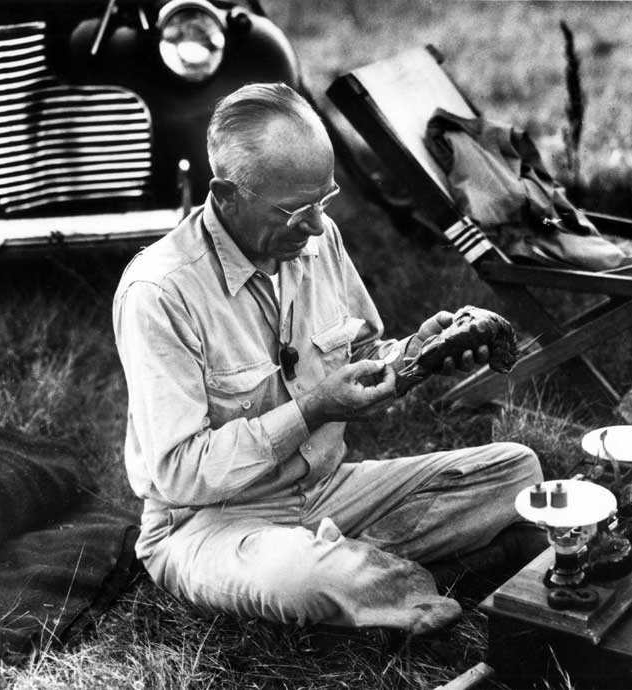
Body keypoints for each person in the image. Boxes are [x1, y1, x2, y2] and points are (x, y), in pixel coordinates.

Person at [113, 83, 543, 634]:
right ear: (225, 195)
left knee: (516, 469)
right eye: (296, 210)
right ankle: (398, 577)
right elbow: (178, 473)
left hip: (327, 491)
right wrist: (312, 409)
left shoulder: (318, 239)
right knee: (299, 578)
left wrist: (416, 356)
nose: (317, 226)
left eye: (325, 200)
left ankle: (360, 570)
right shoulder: (160, 292)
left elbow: (363, 355)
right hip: (208, 524)